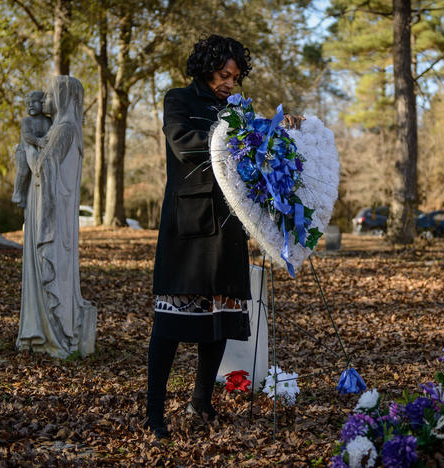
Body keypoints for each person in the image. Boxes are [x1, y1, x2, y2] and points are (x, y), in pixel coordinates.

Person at [146, 35, 254, 438]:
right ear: (206, 67)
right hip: (188, 227)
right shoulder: (178, 100)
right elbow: (182, 144)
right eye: (225, 74)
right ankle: (154, 414)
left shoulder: (236, 110)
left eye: (236, 77)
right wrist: (233, 144)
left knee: (220, 320)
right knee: (170, 323)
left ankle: (200, 402)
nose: (230, 82)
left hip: (228, 224)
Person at [15, 75, 96, 359]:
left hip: (50, 215)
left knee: (50, 274)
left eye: (49, 96)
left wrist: (26, 150)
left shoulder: (63, 129)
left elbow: (42, 167)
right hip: (50, 209)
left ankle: (51, 335)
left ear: (62, 98)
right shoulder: (65, 128)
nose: (45, 102)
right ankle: (39, 334)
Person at [12, 91, 52, 208]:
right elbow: (27, 136)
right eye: (27, 103)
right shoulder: (27, 121)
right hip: (24, 151)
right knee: (23, 171)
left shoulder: (49, 121)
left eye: (34, 102)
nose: (30, 105)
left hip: (41, 152)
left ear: (42, 103)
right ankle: (18, 192)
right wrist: (38, 141)